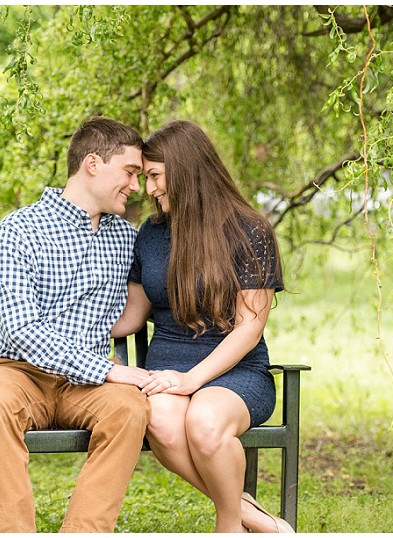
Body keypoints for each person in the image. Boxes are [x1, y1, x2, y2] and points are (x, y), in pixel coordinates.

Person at [0, 116, 152, 533]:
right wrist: (110, 369)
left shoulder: (126, 237)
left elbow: (144, 300)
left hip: (83, 387)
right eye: (130, 172)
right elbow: (19, 327)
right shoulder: (18, 230)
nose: (136, 186)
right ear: (92, 163)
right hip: (19, 373)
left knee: (128, 407)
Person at [111, 120, 293, 533]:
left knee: (206, 424)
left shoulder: (250, 231)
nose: (149, 188)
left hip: (237, 372)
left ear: (186, 170)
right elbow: (132, 316)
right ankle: (255, 518)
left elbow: (248, 328)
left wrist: (191, 380)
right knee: (159, 420)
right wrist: (66, 324)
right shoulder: (152, 233)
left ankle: (228, 525)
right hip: (166, 372)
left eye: (155, 175)